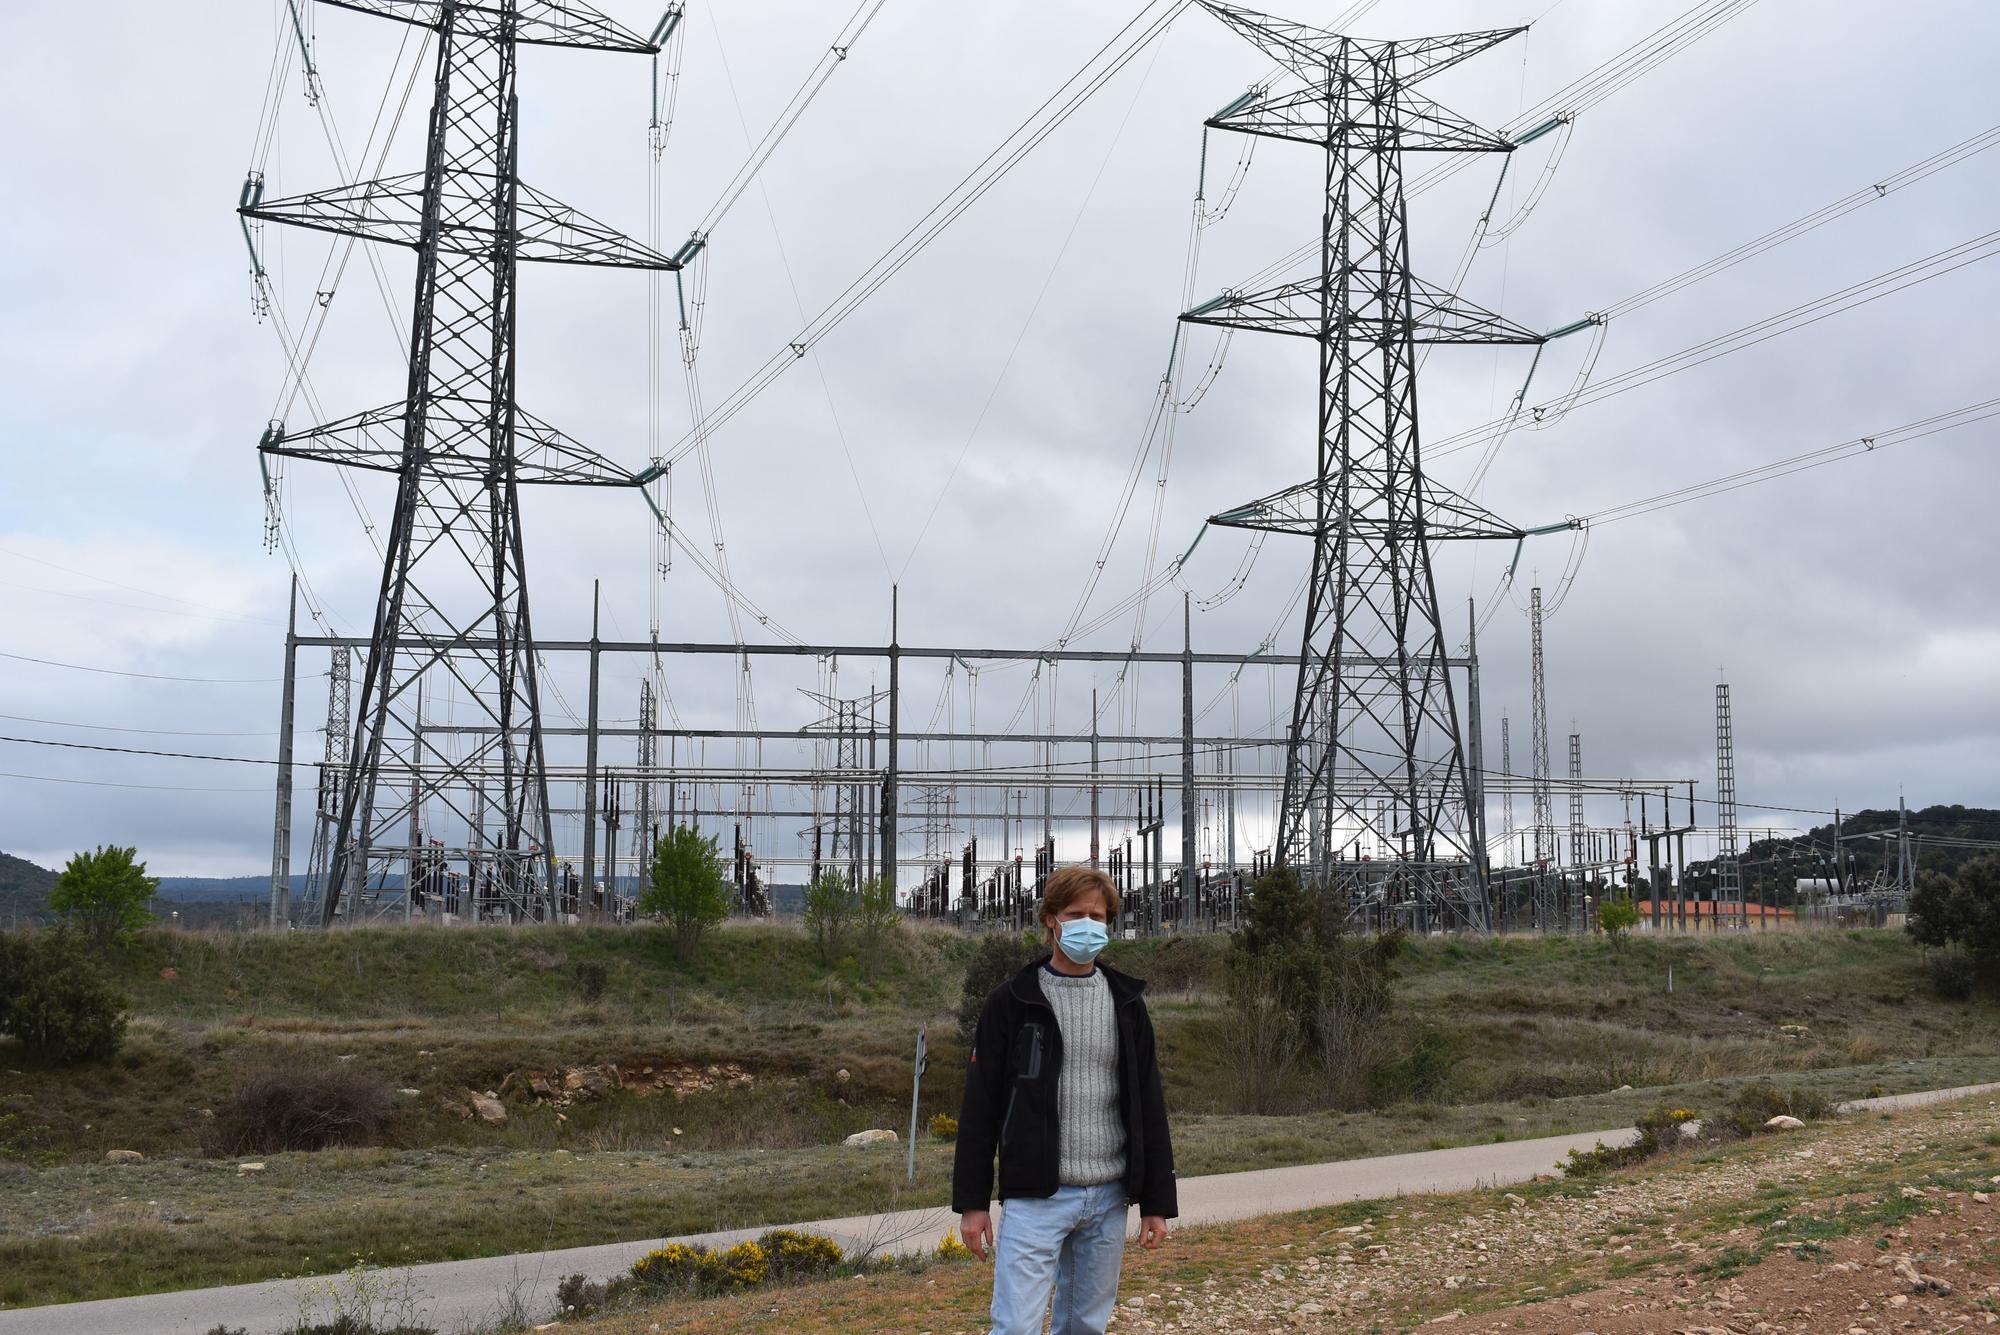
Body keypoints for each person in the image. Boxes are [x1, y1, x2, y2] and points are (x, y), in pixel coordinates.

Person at [953, 865, 1177, 1335]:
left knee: (1085, 1326)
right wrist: (972, 1203)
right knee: (1015, 1327)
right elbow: (980, 1109)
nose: (1088, 925)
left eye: (1098, 916)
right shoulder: (1012, 1002)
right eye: (1076, 914)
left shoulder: (1127, 1004)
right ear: (1050, 919)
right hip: (1036, 1197)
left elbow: (1149, 1106)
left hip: (1108, 1197)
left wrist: (1156, 1201)